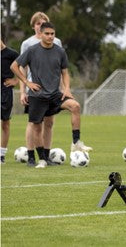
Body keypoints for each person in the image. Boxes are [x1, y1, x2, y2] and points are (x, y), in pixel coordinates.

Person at [11, 22, 92, 168]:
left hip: (55, 95)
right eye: (47, 34)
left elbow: (65, 72)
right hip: (37, 96)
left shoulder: (60, 51)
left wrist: (67, 88)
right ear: (41, 34)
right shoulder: (32, 50)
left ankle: (76, 142)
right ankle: (41, 159)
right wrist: (27, 83)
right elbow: (14, 66)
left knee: (75, 106)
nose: (50, 36)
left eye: (52, 34)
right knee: (37, 127)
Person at [19, 12, 63, 165]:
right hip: (35, 90)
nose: (40, 26)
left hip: (52, 89)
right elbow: (21, 68)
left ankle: (46, 155)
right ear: (34, 26)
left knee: (49, 122)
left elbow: (60, 67)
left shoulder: (57, 42)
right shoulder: (27, 44)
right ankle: (31, 155)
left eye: (43, 23)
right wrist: (23, 90)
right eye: (38, 24)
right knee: (34, 123)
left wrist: (63, 88)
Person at [1, 39, 19, 164]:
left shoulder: (12, 54)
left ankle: (1, 155)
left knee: (5, 123)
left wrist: (16, 81)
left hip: (5, 91)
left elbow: (24, 67)